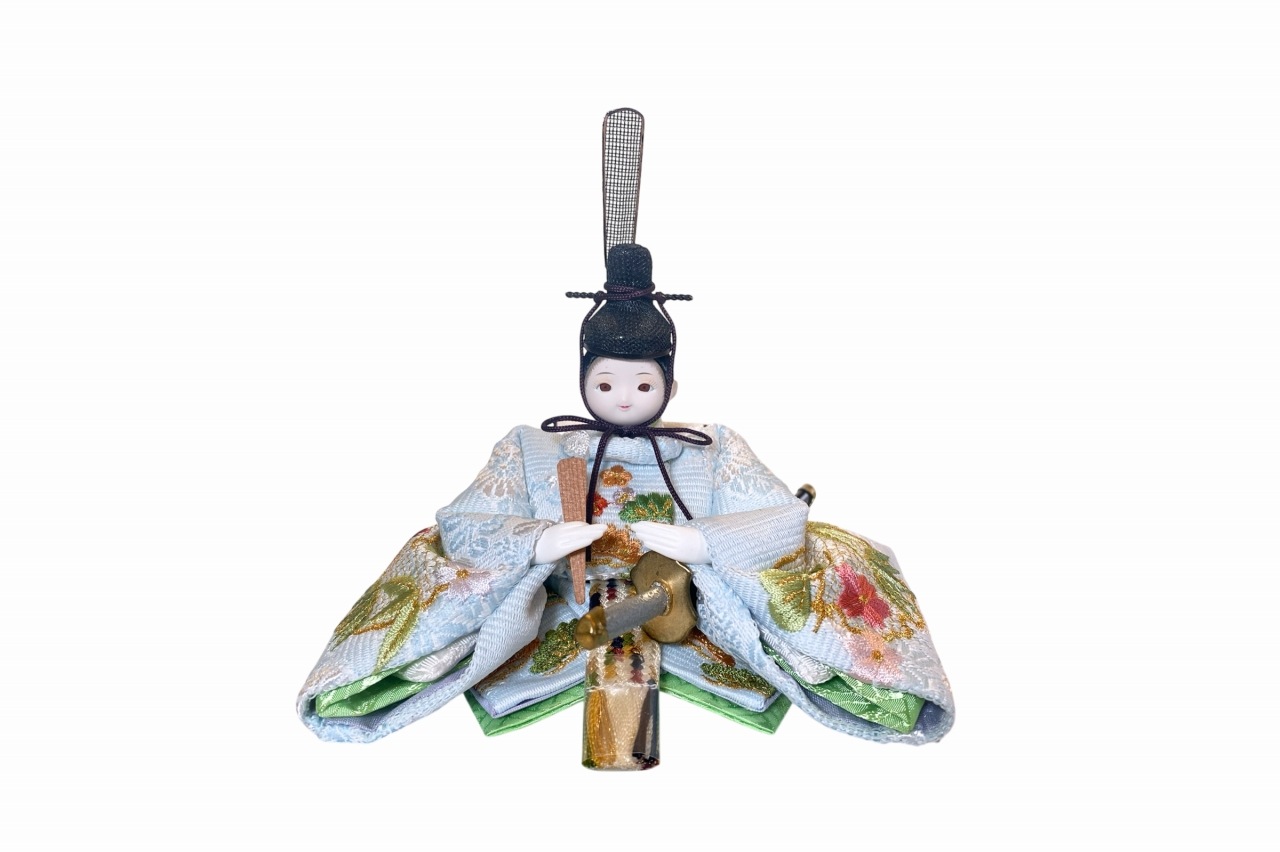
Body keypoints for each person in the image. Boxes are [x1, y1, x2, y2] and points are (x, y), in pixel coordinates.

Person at [297, 244, 954, 751]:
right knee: (436, 582)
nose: (622, 399)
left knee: (822, 569)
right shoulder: (531, 447)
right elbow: (465, 524)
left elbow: (781, 520)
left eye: (643, 386)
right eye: (605, 383)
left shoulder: (714, 446)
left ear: (669, 385)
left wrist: (707, 541)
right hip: (557, 607)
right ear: (582, 377)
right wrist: (537, 541)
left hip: (696, 614)